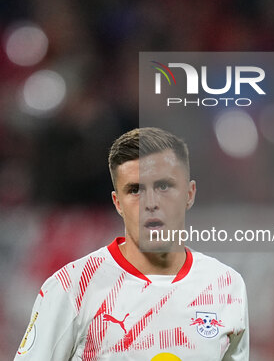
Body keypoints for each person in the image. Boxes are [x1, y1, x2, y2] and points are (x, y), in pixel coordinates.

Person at [14, 127, 249, 360]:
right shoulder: (73, 287)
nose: (151, 203)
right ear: (117, 203)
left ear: (189, 194)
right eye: (135, 190)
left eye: (164, 186)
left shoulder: (226, 285)